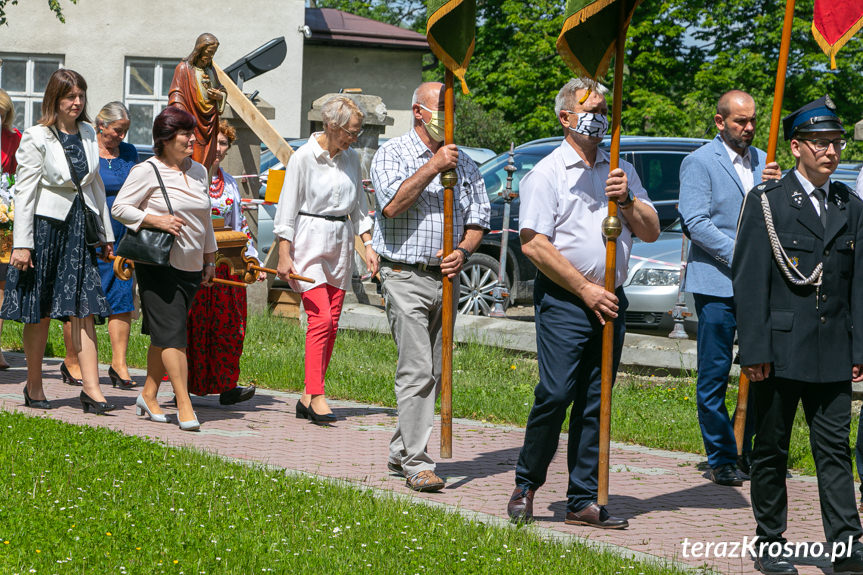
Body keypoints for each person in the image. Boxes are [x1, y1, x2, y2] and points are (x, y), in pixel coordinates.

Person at [506, 78, 660, 528]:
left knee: (597, 401)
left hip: (612, 300)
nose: (598, 116)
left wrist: (627, 199)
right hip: (568, 300)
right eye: (589, 108)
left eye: (603, 109)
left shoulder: (621, 170)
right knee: (555, 394)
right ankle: (526, 483)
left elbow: (650, 230)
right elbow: (534, 244)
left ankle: (581, 499)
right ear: (566, 118)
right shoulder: (547, 173)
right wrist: (584, 289)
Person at [733, 96, 863, 575]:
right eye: (821, 143)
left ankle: (847, 545)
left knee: (833, 449)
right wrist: (755, 351)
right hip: (780, 351)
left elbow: (859, 285)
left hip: (832, 352)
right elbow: (748, 283)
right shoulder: (767, 204)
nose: (831, 151)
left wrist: (860, 347)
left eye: (836, 142)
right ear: (796, 147)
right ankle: (771, 542)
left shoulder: (851, 205)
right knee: (771, 450)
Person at [370, 82, 490, 491]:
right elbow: (391, 206)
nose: (450, 118)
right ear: (420, 112)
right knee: (417, 368)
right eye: (443, 109)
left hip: (447, 277)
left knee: (436, 370)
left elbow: (478, 220)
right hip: (404, 275)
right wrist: (434, 166)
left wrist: (464, 250)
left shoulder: (467, 163)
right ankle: (418, 463)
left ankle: (400, 449)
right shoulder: (392, 154)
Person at [678, 90, 781, 486]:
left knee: (760, 369)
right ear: (720, 122)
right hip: (717, 284)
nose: (750, 128)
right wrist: (744, 256)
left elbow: (774, 216)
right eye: (741, 121)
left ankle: (750, 449)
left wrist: (779, 185)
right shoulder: (699, 162)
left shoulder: (764, 162)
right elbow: (697, 222)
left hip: (758, 289)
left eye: (753, 120)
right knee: (715, 374)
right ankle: (721, 455)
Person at [1, 69, 115, 413]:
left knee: (84, 308)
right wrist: (22, 243)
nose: (77, 103)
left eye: (81, 96)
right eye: (70, 97)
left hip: (80, 231)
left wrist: (106, 236)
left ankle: (92, 389)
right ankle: (34, 386)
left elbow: (95, 186)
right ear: (55, 98)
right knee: (40, 311)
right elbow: (24, 191)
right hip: (45, 231)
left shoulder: (89, 133)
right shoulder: (36, 136)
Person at [112, 107, 217, 431]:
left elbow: (204, 220)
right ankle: (183, 405)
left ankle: (148, 394)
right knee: (174, 335)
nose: (191, 139)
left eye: (191, 133)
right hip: (158, 264)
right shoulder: (148, 171)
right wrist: (154, 219)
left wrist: (210, 259)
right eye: (185, 134)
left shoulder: (199, 171)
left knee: (164, 334)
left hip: (190, 265)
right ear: (166, 139)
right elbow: (120, 207)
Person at [275, 96, 377, 424]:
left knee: (333, 322)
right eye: (350, 131)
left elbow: (360, 206)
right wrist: (284, 253)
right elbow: (286, 207)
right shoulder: (303, 158)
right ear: (331, 126)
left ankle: (308, 394)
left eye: (357, 133)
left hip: (340, 242)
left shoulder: (351, 159)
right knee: (319, 318)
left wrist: (368, 244)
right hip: (308, 239)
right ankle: (317, 394)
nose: (353, 138)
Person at [61, 102, 139, 390]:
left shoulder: (129, 153)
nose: (121, 136)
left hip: (122, 237)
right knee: (83, 299)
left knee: (122, 297)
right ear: (101, 125)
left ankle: (119, 364)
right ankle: (72, 360)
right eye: (118, 130)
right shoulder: (86, 147)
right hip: (90, 233)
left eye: (125, 131)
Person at [186, 120, 260, 406]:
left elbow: (239, 223)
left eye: (224, 143)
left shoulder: (229, 183)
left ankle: (227, 385)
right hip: (195, 262)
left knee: (229, 326)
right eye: (214, 142)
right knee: (194, 326)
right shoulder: (190, 177)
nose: (219, 148)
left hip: (225, 267)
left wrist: (250, 256)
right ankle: (188, 385)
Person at [168, 32, 226, 172]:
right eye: (209, 52)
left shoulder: (210, 69)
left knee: (207, 163)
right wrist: (183, 116)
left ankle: (203, 188)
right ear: (200, 50)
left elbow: (221, 88)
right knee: (191, 161)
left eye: (214, 53)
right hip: (192, 123)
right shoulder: (184, 69)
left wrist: (220, 95)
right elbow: (176, 94)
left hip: (210, 124)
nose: (211, 56)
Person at [0, 88, 21, 370]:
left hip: (4, 221)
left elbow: (17, 178)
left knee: (2, 283)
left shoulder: (13, 138)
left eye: (2, 114)